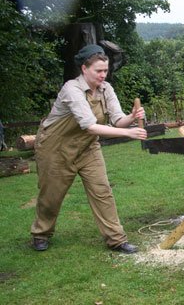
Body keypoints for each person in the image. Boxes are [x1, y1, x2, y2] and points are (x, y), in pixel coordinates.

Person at [30, 44, 147, 254]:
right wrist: (129, 133)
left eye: (106, 70)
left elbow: (118, 119)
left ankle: (116, 239)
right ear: (85, 69)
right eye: (99, 71)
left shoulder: (106, 89)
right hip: (56, 149)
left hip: (88, 147)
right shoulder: (71, 89)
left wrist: (131, 118)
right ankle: (41, 233)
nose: (104, 75)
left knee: (103, 192)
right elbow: (90, 125)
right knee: (51, 197)